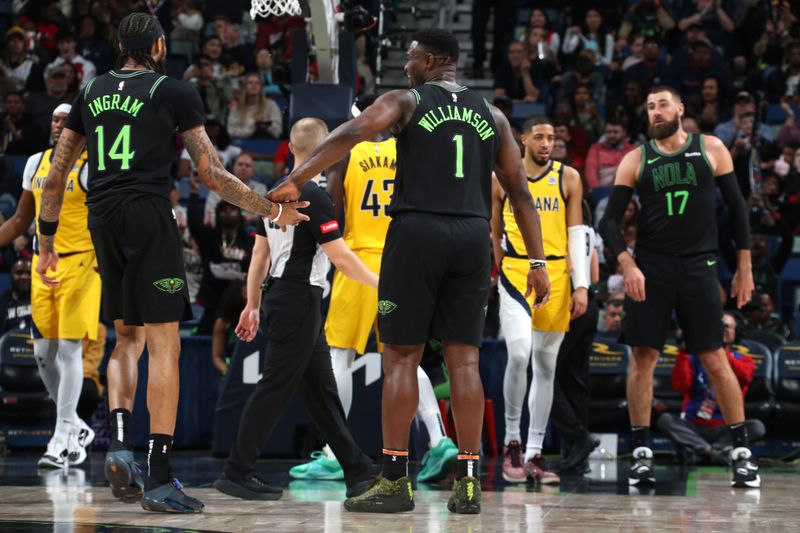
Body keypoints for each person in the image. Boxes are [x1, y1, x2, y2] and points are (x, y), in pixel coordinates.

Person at [268, 29, 550, 514]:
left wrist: (294, 178)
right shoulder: (495, 115)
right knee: (464, 361)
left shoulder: (407, 101)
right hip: (471, 237)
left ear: (435, 60)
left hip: (417, 233)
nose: (407, 67)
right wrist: (539, 260)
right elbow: (521, 195)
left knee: (399, 357)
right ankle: (467, 481)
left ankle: (395, 479)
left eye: (414, 58)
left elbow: (350, 134)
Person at [35, 13, 307, 514]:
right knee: (166, 347)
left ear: (119, 46)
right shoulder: (174, 92)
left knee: (126, 338)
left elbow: (55, 178)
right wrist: (271, 209)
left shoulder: (92, 91)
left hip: (101, 217)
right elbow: (211, 172)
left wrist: (45, 240)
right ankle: (160, 475)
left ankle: (118, 445)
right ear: (160, 46)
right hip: (148, 215)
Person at [599, 85, 759, 489]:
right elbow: (608, 223)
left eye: (663, 104)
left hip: (700, 267)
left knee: (714, 357)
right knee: (643, 358)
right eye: (650, 106)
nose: (655, 111)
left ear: (680, 109)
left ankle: (741, 453)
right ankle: (640, 455)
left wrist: (743, 267)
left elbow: (738, 210)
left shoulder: (712, 147)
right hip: (651, 269)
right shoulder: (635, 159)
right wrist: (627, 262)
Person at [290, 98, 457, 484]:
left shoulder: (348, 153)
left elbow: (332, 207)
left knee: (340, 355)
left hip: (358, 259)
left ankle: (334, 453)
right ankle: (439, 440)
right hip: (401, 260)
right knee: (405, 358)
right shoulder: (410, 151)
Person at [213, 118, 379, 502]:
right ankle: (236, 470)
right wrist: (381, 283)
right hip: (299, 297)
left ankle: (356, 469)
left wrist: (253, 304)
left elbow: (259, 255)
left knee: (322, 390)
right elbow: (340, 257)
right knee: (275, 385)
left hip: (282, 297)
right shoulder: (314, 195)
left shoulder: (272, 192)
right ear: (328, 152)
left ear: (290, 147)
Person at [490, 116, 588, 485]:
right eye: (540, 137)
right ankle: (512, 441)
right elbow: (493, 231)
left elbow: (577, 233)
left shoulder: (569, 178)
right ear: (523, 139)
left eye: (552, 137)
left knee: (547, 367)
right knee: (519, 353)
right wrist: (498, 269)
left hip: (559, 275)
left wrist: (582, 286)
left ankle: (534, 452)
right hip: (517, 273)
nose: (547, 143)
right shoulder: (501, 177)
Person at [0, 104, 98, 469]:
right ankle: (74, 426)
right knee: (43, 353)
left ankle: (61, 439)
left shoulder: (92, 165)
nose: (59, 124)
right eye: (55, 118)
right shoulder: (35, 163)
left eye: (66, 119)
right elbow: (21, 219)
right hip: (45, 263)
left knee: (70, 351)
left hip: (82, 260)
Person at [657, 312, 766, 465]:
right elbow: (680, 385)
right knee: (665, 420)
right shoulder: (693, 357)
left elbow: (745, 376)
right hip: (694, 426)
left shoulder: (743, 359)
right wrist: (683, 351)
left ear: (737, 332)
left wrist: (718, 351)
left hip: (727, 428)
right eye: (718, 327)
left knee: (757, 427)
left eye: (726, 327)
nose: (721, 330)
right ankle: (713, 451)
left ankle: (705, 451)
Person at [0, 258, 32, 334]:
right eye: (19, 273)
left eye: (29, 273)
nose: (24, 277)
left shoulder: (43, 301)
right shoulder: (2, 302)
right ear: (11, 276)